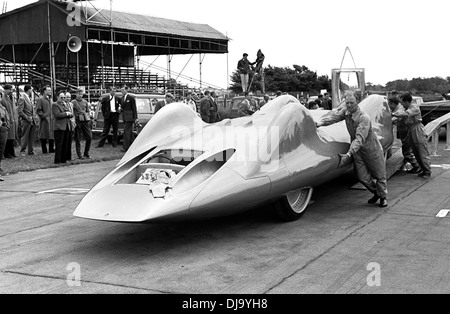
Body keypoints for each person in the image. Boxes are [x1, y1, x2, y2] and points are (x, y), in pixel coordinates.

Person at [316, 95, 388, 208]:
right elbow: (335, 117)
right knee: (362, 176)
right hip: (357, 150)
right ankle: (376, 192)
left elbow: (359, 138)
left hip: (371, 148)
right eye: (347, 103)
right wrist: (320, 123)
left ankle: (383, 197)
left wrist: (349, 154)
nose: (349, 105)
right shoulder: (346, 111)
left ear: (357, 103)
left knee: (379, 174)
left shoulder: (364, 118)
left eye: (351, 103)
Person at [392, 93, 432, 179]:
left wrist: (393, 114)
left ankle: (427, 171)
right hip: (410, 129)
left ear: (406, 101)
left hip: (417, 129)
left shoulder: (414, 107)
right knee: (415, 151)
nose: (401, 104)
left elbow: (405, 114)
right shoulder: (406, 107)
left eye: (402, 102)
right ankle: (422, 169)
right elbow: (401, 116)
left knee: (422, 151)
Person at [389, 97, 421, 173]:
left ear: (393, 104)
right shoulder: (397, 109)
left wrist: (391, 117)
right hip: (402, 128)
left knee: (406, 149)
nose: (389, 106)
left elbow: (401, 115)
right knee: (406, 147)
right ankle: (417, 166)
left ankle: (417, 166)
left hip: (405, 129)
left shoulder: (400, 109)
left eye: (389, 104)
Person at [52, 92, 74, 164]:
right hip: (59, 127)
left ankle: (63, 159)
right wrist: (66, 113)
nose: (63, 99)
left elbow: (71, 113)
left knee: (65, 144)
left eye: (64, 97)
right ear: (58, 97)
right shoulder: (55, 104)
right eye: (61, 97)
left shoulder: (64, 104)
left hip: (66, 126)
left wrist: (69, 114)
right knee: (59, 144)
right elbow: (57, 114)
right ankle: (57, 160)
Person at [17, 85, 38, 156]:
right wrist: (27, 117)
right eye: (31, 89)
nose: (32, 91)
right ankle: (23, 150)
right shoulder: (22, 98)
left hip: (32, 120)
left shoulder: (29, 98)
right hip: (26, 120)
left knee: (31, 136)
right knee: (25, 135)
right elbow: (19, 111)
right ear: (28, 90)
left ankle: (30, 150)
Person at [72, 89, 92, 159]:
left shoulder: (85, 102)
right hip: (77, 121)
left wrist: (88, 116)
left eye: (81, 94)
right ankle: (79, 154)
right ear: (76, 94)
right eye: (79, 94)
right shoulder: (73, 102)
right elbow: (72, 112)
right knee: (78, 138)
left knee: (89, 137)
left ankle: (86, 153)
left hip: (85, 121)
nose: (80, 95)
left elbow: (87, 111)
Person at [36, 86, 55, 154]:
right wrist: (44, 116)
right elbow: (38, 110)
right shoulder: (40, 99)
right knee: (43, 135)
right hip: (44, 120)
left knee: (51, 134)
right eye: (49, 90)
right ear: (44, 91)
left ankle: (51, 148)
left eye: (50, 90)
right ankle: (44, 150)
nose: (50, 91)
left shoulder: (51, 99)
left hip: (51, 120)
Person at [1, 85, 18, 159]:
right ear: (5, 90)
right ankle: (6, 153)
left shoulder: (11, 98)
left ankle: (11, 152)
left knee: (11, 137)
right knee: (7, 138)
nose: (11, 91)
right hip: (8, 120)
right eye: (10, 89)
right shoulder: (3, 100)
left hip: (12, 120)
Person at [120, 85, 138, 153]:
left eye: (123, 90)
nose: (122, 92)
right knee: (129, 132)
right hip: (125, 116)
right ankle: (134, 145)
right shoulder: (122, 98)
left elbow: (134, 108)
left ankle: (125, 147)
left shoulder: (130, 98)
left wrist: (135, 117)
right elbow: (122, 108)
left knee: (126, 131)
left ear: (126, 90)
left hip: (130, 117)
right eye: (121, 90)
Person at [0, 100, 9, 181]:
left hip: (3, 129)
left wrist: (7, 126)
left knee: (1, 150)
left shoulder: (3, 108)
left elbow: (6, 118)